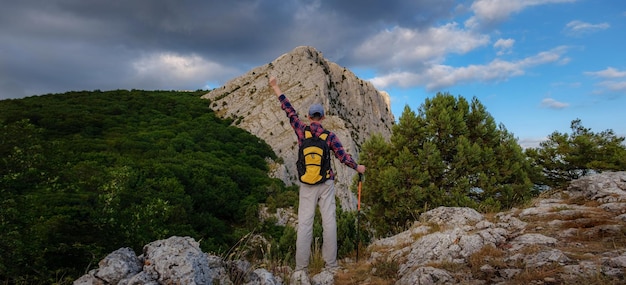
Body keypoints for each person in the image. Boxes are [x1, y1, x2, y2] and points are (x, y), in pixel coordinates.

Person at [268, 76, 366, 276]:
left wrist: (276, 87)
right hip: (326, 183)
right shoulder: (329, 136)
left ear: (309, 116)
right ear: (322, 117)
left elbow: (288, 110)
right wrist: (357, 168)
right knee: (329, 222)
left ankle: (301, 269)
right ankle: (331, 265)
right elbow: (342, 156)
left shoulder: (301, 130)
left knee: (305, 224)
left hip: (306, 185)